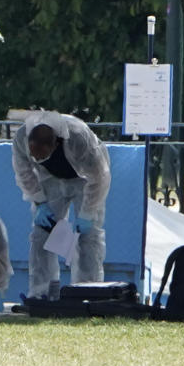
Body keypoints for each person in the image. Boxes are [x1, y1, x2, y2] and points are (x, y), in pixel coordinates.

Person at [11, 109, 111, 298]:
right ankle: (42, 292)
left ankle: (87, 291)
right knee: (42, 233)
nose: (37, 160)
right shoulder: (21, 138)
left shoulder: (79, 138)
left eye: (42, 156)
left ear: (56, 143)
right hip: (50, 179)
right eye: (34, 156)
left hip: (85, 179)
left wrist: (88, 213)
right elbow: (24, 172)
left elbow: (99, 177)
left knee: (88, 237)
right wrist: (40, 202)